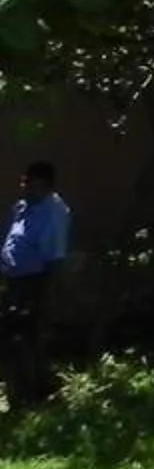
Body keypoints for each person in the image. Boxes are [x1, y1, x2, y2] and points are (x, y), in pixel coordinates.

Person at [1, 160, 70, 409]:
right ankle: (24, 392)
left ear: (45, 186)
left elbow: (54, 256)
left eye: (31, 185)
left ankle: (34, 395)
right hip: (15, 281)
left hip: (35, 281)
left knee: (26, 337)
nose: (25, 189)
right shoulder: (22, 207)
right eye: (24, 183)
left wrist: (43, 293)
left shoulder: (53, 212)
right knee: (14, 337)